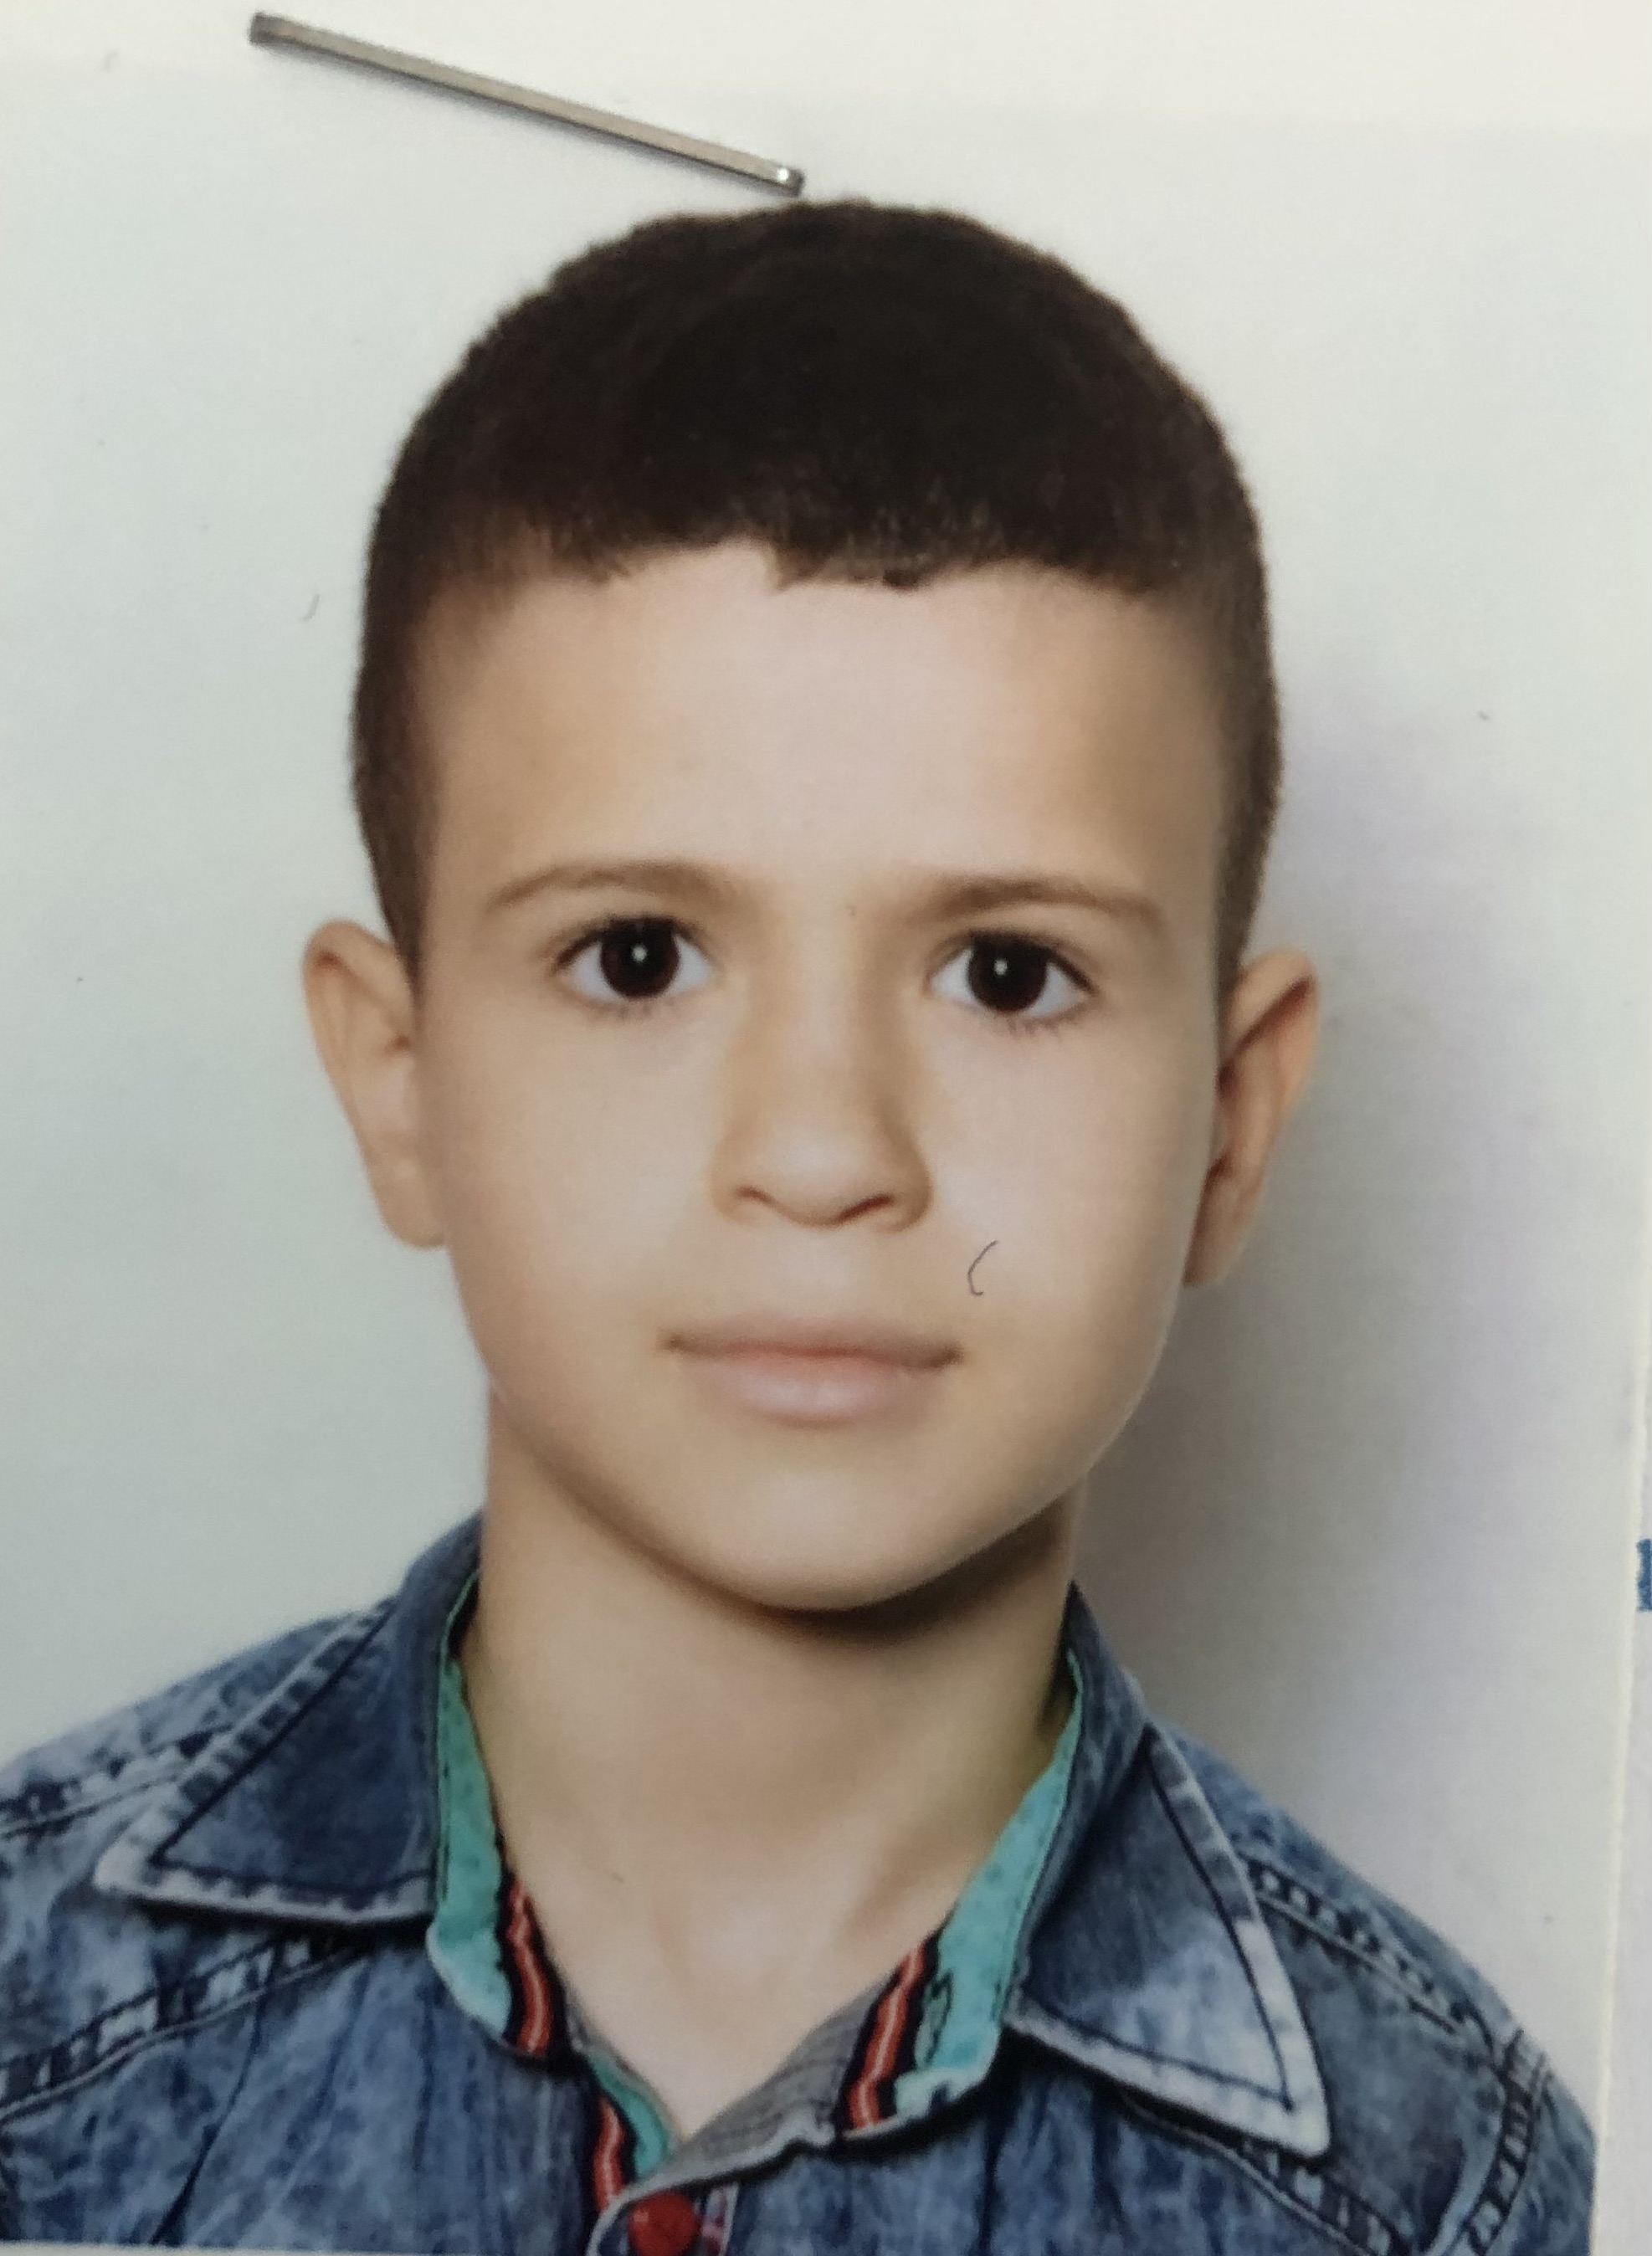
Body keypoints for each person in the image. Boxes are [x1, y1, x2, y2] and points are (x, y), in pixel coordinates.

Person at [0, 200, 1593, 2253]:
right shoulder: (33, 2027)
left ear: (1229, 1119)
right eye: (639, 956)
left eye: (1007, 973)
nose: (825, 1151)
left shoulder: (1446, 2185)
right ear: (398, 1081)